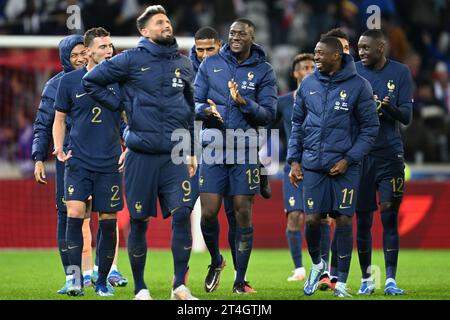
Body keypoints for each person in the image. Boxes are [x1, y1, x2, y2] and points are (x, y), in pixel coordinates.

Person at [82, 5, 198, 300]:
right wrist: (120, 105)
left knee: (183, 214)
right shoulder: (129, 60)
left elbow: (189, 109)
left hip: (174, 155)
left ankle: (179, 286)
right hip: (140, 155)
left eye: (168, 20)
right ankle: (140, 287)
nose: (166, 25)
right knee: (138, 221)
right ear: (144, 31)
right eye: (159, 22)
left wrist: (192, 150)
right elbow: (91, 81)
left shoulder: (184, 64)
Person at [288, 36, 379, 298]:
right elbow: (297, 125)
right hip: (313, 166)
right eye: (315, 53)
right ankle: (318, 265)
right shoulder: (308, 84)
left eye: (319, 53)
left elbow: (370, 128)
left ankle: (340, 283)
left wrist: (348, 159)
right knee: (313, 219)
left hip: (345, 167)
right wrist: (294, 160)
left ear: (336, 56)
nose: (314, 58)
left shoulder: (359, 86)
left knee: (344, 221)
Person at [194, 18, 277, 294]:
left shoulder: (264, 71)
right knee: (208, 213)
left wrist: (245, 103)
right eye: (232, 33)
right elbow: (192, 103)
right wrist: (206, 112)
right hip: (214, 149)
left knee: (242, 212)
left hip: (244, 151)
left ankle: (240, 281)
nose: (236, 36)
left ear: (253, 37)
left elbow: (269, 114)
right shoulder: (211, 64)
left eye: (242, 33)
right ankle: (216, 260)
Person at [53, 27, 124, 297]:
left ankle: (103, 282)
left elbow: (131, 116)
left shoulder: (120, 80)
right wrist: (58, 148)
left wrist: (127, 148)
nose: (109, 50)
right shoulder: (69, 81)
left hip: (109, 163)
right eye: (103, 47)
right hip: (78, 161)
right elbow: (59, 118)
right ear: (89, 50)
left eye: (110, 46)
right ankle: (73, 279)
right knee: (73, 214)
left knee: (108, 219)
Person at [355, 29, 413, 296]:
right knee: (363, 219)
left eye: (366, 48)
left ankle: (390, 279)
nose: (361, 52)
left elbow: (406, 117)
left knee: (389, 214)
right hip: (361, 155)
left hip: (389, 154)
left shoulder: (400, 73)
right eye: (359, 48)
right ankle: (367, 278)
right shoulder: (353, 72)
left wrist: (388, 108)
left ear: (381, 47)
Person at [32, 34, 87, 294]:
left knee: (107, 215)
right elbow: (43, 123)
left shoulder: (102, 78)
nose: (79, 58)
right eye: (73, 55)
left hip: (100, 157)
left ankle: (105, 274)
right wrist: (38, 157)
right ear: (65, 58)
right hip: (69, 159)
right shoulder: (55, 86)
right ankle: (72, 276)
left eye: (82, 52)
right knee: (67, 215)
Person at [318, 27, 352, 291]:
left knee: (346, 218)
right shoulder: (316, 82)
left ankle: (348, 276)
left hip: (354, 160)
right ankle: (323, 271)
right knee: (321, 217)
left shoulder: (358, 81)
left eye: (345, 47)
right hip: (324, 160)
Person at [278, 53, 314, 282]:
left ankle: (324, 267)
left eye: (312, 66)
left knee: (319, 218)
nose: (309, 70)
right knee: (294, 217)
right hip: (292, 166)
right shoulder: (283, 102)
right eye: (304, 67)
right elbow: (265, 124)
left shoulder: (325, 98)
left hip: (317, 166)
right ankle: (299, 269)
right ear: (295, 73)